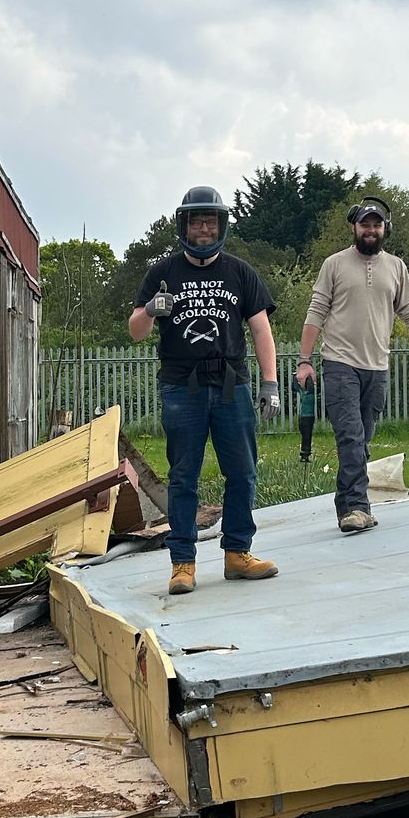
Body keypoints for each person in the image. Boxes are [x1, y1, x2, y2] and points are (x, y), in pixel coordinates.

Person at [128, 186, 281, 596]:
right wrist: (150, 311)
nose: (202, 229)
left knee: (243, 472)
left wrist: (270, 381)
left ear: (221, 225)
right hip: (182, 388)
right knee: (183, 476)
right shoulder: (162, 272)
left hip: (232, 386)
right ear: (184, 226)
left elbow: (261, 329)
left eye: (209, 222)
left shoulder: (240, 272)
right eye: (195, 222)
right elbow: (136, 330)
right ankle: (182, 563)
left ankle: (238, 554)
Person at [295, 198, 409, 534]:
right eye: (365, 224)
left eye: (377, 225)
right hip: (339, 363)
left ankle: (349, 503)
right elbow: (316, 312)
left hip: (377, 366)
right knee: (351, 436)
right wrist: (304, 361)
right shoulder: (334, 264)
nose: (371, 230)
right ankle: (356, 507)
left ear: (385, 229)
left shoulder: (396, 267)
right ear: (354, 227)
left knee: (362, 440)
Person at [297, 373, 317, 462]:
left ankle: (305, 453)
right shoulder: (309, 394)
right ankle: (305, 453)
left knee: (305, 435)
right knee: (306, 435)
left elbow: (294, 387)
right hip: (308, 418)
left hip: (305, 417)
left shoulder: (305, 393)